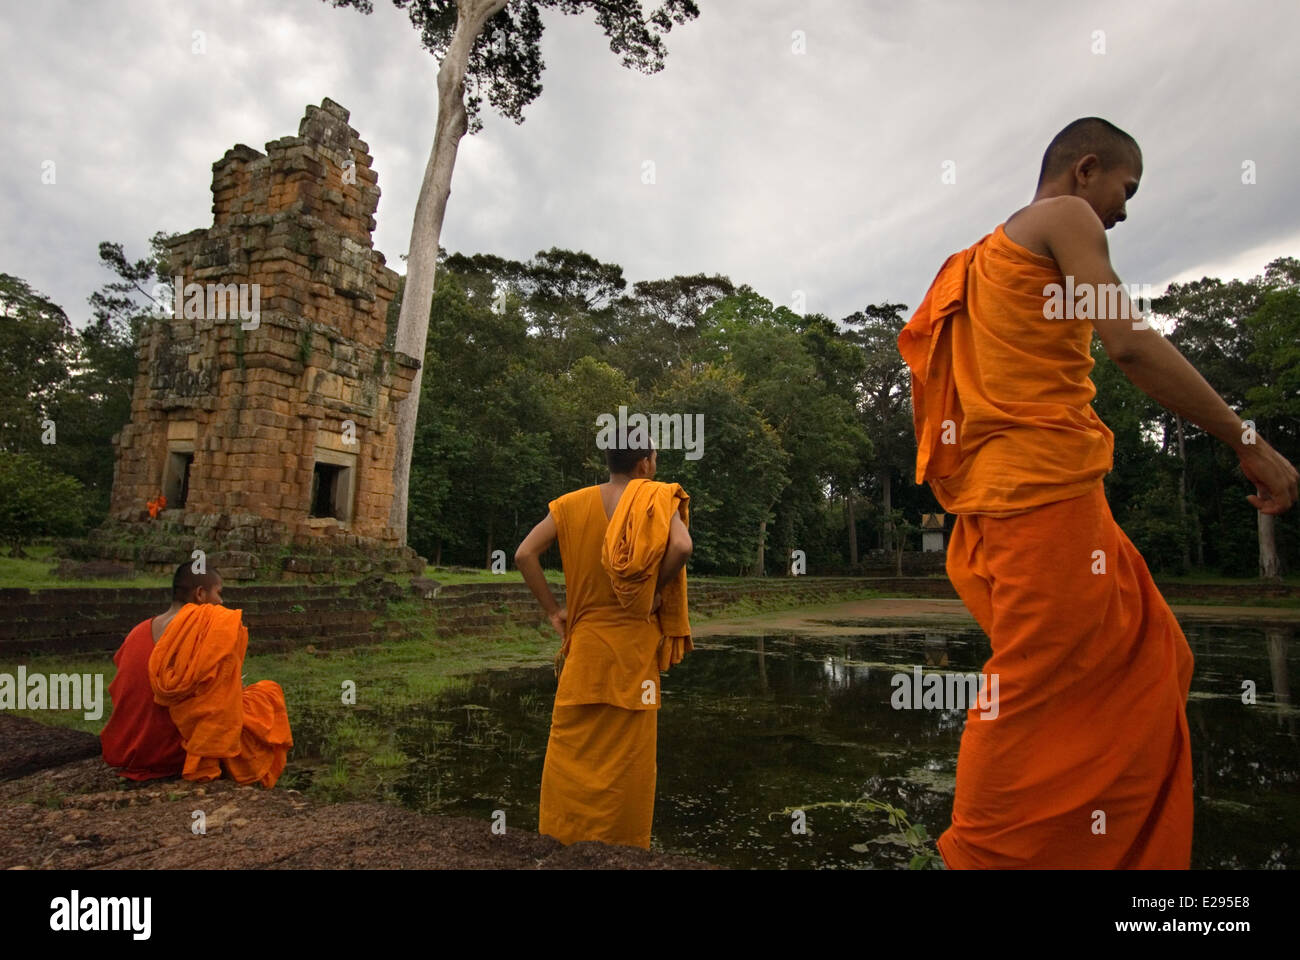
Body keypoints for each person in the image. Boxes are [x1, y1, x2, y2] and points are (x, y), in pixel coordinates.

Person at [897, 117, 1297, 868]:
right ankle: (984, 858)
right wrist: (1249, 441)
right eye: (1126, 188)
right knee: (1034, 686)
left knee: (1157, 658)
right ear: (1087, 170)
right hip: (1038, 495)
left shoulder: (979, 257)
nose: (1123, 211)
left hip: (1014, 496)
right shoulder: (1066, 215)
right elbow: (1130, 343)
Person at [515, 438, 693, 848]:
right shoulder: (656, 498)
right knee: (628, 767)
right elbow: (682, 546)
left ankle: (561, 845)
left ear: (610, 462)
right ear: (645, 463)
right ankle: (624, 851)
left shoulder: (571, 504)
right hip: (633, 654)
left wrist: (553, 611)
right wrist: (652, 589)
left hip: (586, 651)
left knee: (570, 757)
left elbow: (525, 554)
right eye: (654, 458)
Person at [100, 562, 293, 787]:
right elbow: (217, 709)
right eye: (218, 594)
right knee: (267, 693)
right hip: (177, 754)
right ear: (200, 594)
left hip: (132, 750)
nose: (221, 602)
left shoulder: (137, 632)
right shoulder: (212, 625)